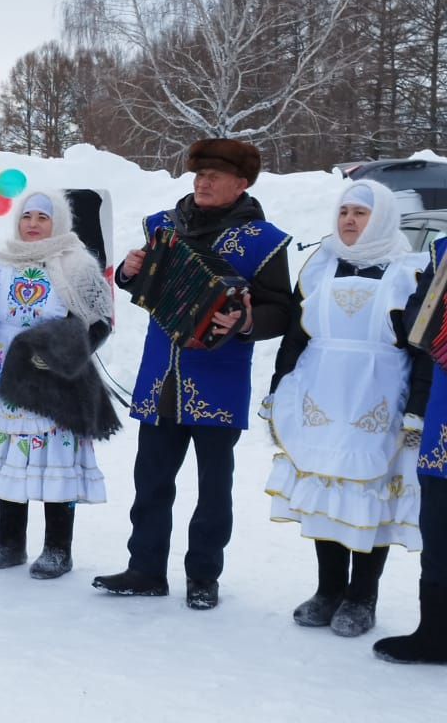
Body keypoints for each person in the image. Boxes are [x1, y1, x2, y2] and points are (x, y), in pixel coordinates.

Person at [93, 138, 292, 609]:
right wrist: (127, 271)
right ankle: (145, 568)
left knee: (213, 489)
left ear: (241, 185)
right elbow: (145, 284)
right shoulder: (164, 226)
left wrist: (245, 321)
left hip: (218, 381)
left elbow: (281, 311)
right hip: (160, 375)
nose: (202, 182)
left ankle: (203, 576)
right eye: (199, 175)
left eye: (214, 176)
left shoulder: (263, 241)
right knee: (151, 480)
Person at [261, 179, 427, 638]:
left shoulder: (409, 273)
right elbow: (296, 335)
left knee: (367, 492)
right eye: (345, 211)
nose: (350, 220)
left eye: (361, 213)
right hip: (320, 391)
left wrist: (417, 409)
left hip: (378, 394)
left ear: (384, 218)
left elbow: (421, 350)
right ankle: (328, 589)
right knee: (325, 489)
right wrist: (279, 389)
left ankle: (362, 596)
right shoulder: (318, 267)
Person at [0, 188, 119, 578]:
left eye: (42, 217)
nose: (33, 224)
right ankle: (10, 542)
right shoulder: (0, 262)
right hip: (3, 372)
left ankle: (58, 548)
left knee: (54, 458)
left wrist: (62, 354)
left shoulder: (77, 265)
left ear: (58, 221)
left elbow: (101, 322)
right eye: (27, 217)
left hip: (55, 375)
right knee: (10, 455)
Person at [373, 233, 447, 664]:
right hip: (443, 410)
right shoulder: (442, 251)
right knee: (438, 518)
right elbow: (417, 326)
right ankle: (435, 632)